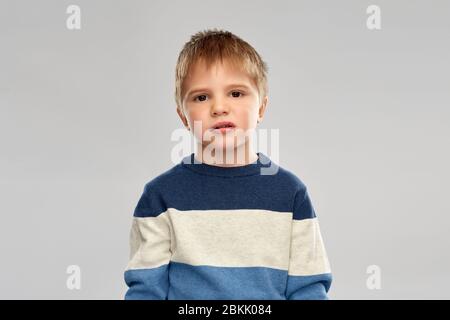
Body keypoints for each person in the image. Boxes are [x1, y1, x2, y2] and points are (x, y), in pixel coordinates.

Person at [124, 28, 332, 299]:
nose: (219, 107)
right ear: (184, 117)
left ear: (261, 108)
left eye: (235, 93)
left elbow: (308, 289)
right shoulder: (160, 196)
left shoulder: (290, 194)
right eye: (201, 97)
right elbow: (145, 291)